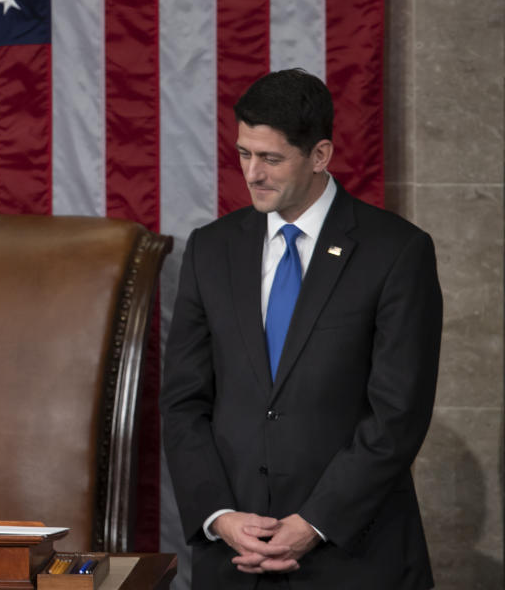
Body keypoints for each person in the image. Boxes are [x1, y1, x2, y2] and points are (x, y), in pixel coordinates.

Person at [160, 69, 442, 589]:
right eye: (245, 153)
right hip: (235, 560)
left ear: (319, 156)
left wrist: (314, 523)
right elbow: (183, 402)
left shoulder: (397, 252)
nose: (252, 173)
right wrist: (220, 517)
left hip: (353, 556)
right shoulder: (210, 250)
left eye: (271, 158)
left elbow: (398, 413)